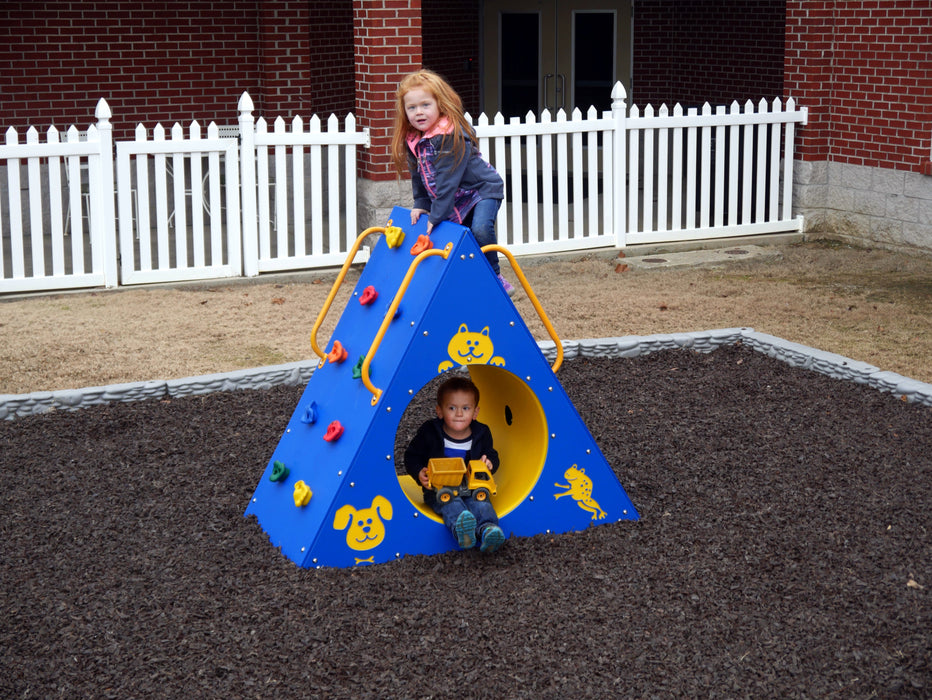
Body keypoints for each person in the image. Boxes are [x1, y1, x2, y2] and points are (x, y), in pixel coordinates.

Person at [391, 68, 515, 296]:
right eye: (412, 107)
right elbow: (418, 175)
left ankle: (497, 277)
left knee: (479, 229)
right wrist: (420, 202)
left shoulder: (448, 135)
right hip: (456, 198)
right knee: (459, 239)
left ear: (440, 105)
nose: (419, 112)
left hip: (481, 190)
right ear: (404, 111)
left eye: (425, 105)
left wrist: (436, 214)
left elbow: (447, 182)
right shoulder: (413, 139)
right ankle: (472, 280)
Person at [404, 375, 507, 553]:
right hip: (439, 486)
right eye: (452, 408)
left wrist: (489, 463)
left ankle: (488, 530)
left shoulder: (482, 433)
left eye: (465, 408)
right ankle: (462, 531)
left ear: (475, 412)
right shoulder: (430, 432)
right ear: (439, 411)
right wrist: (419, 472)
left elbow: (491, 455)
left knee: (481, 503)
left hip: (470, 486)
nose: (459, 414)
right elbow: (412, 456)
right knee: (451, 503)